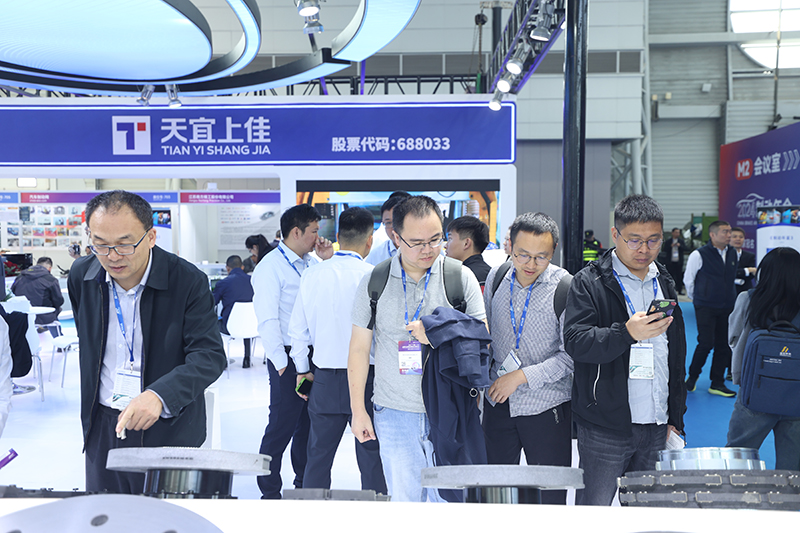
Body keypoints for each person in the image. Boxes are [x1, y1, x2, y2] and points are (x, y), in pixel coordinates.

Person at [67, 190, 226, 494]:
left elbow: (209, 356)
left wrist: (159, 395)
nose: (112, 256)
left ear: (151, 237)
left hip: (168, 424)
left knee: (163, 513)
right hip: (104, 423)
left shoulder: (187, 281)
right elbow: (88, 340)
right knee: (108, 511)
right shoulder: (82, 275)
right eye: (100, 244)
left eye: (125, 244)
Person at [348, 195, 485, 502]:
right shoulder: (375, 281)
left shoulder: (459, 277)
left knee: (448, 503)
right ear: (396, 237)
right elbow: (358, 349)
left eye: (436, 239)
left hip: (451, 410)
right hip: (394, 413)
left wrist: (436, 331)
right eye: (417, 243)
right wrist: (358, 411)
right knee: (405, 504)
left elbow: (481, 334)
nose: (428, 250)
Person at [564, 194, 687, 506]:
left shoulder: (665, 281)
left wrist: (675, 415)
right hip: (606, 426)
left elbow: (675, 355)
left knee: (645, 515)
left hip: (657, 424)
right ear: (615, 235)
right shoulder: (590, 282)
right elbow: (576, 341)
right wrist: (627, 333)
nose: (644, 249)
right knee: (594, 512)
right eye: (634, 240)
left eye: (653, 240)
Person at [288, 207, 386, 493]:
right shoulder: (375, 276)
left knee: (317, 456)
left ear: (339, 237)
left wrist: (302, 370)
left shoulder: (312, 274)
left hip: (324, 380)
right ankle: (378, 512)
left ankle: (313, 512)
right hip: (368, 380)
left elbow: (297, 332)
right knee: (372, 457)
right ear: (369, 241)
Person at [482, 212, 572, 505]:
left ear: (553, 250)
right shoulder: (496, 277)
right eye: (522, 255)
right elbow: (486, 336)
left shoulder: (565, 287)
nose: (530, 264)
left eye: (541, 257)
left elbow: (571, 356)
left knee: (550, 497)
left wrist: (520, 377)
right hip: (498, 402)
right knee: (495, 493)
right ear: (509, 246)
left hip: (546, 407)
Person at [252, 204, 333, 499]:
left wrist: (326, 259)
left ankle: (303, 483)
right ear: (296, 232)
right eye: (314, 231)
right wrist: (281, 363)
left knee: (308, 423)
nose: (318, 237)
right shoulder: (270, 267)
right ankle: (269, 490)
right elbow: (268, 319)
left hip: (311, 355)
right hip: (287, 358)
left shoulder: (312, 264)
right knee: (281, 424)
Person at [727, 247, 800, 470]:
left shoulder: (749, 299)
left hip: (755, 390)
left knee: (738, 457)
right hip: (796, 394)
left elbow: (734, 338)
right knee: (793, 467)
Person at [683, 220, 738, 397]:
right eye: (725, 231)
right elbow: (688, 280)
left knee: (724, 345)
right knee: (706, 343)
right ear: (713, 235)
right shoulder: (698, 255)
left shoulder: (732, 253)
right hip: (705, 306)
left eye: (729, 231)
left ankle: (717, 383)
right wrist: (699, 298)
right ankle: (692, 378)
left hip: (727, 306)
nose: (729, 235)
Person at [213, 255, 255, 368]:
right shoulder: (253, 281)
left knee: (213, 323)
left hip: (229, 326)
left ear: (227, 268)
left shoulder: (223, 283)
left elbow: (212, 302)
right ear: (242, 267)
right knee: (246, 319)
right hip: (252, 326)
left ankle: (222, 360)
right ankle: (247, 358)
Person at [11, 256, 64, 329]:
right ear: (50, 268)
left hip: (22, 316)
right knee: (56, 309)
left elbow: (12, 293)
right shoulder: (51, 280)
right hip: (43, 317)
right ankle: (56, 335)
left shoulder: (20, 277)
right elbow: (59, 301)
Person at [365, 191, 412, 266]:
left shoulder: (425, 250)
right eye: (388, 223)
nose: (394, 228)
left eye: (398, 221)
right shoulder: (376, 255)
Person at [446, 216, 492, 288]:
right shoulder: (492, 274)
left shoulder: (462, 276)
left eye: (450, 239)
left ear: (466, 243)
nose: (445, 245)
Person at [730, 227, 756, 296]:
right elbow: (726, 273)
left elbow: (751, 274)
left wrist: (737, 273)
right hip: (728, 291)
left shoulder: (750, 256)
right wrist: (747, 270)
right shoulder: (724, 255)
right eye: (734, 237)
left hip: (745, 290)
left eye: (741, 237)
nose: (738, 239)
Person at [662, 228, 688, 295]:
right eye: (676, 232)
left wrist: (680, 246)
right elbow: (664, 249)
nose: (677, 234)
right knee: (670, 276)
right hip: (670, 261)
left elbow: (686, 248)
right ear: (672, 233)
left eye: (678, 232)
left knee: (679, 276)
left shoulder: (681, 241)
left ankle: (679, 290)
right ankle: (670, 290)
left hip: (678, 261)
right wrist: (671, 246)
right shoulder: (669, 241)